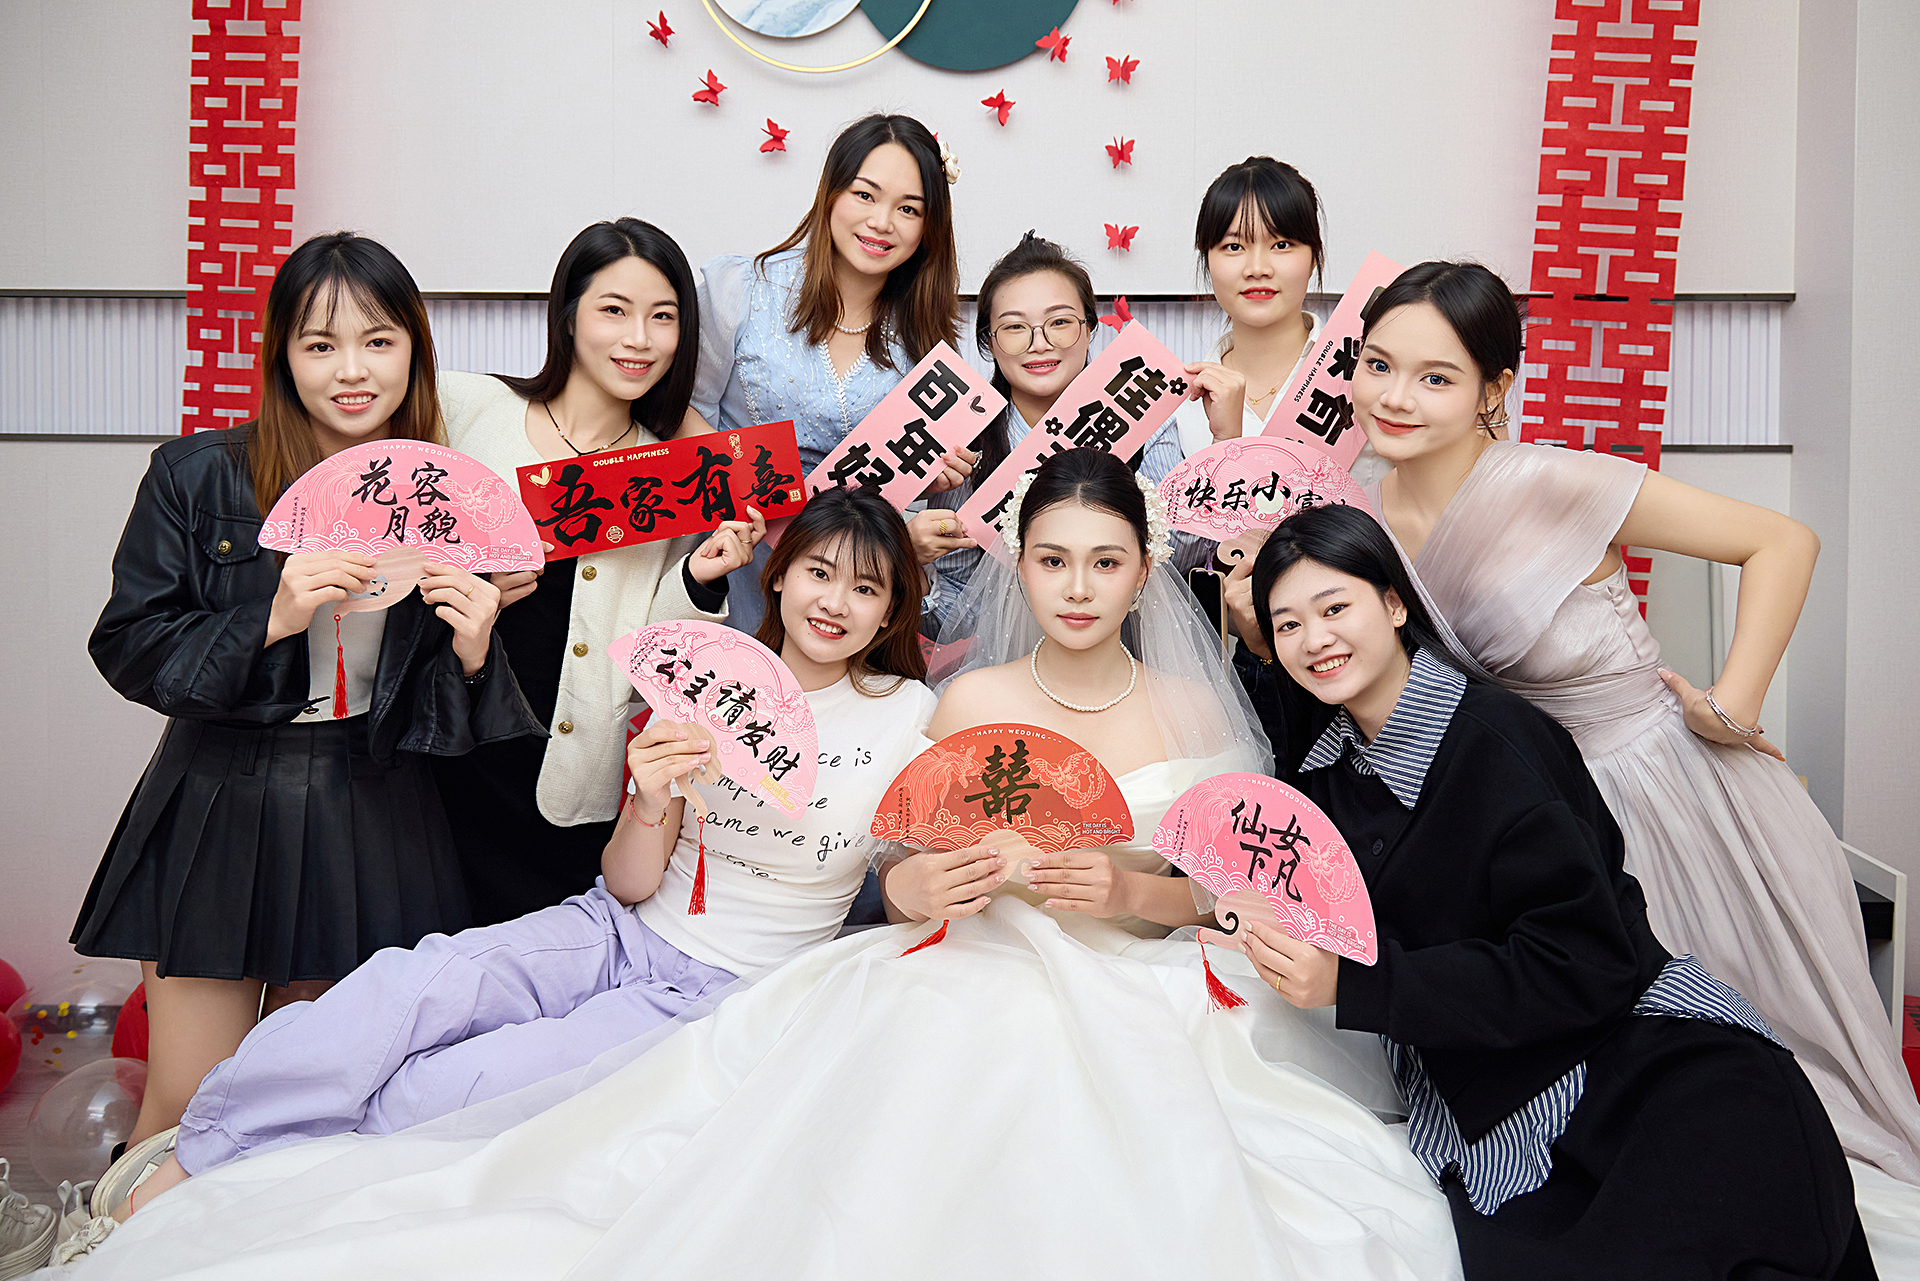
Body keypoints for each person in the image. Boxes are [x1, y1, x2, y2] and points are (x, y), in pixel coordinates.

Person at [77, 453, 1462, 1280]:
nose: (1082, 586)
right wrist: (868, 870)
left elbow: (1210, 890)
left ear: (1145, 568)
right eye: (1055, 559)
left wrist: (1124, 893)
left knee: (473, 1093)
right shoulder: (927, 704)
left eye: (1107, 561)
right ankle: (209, 1155)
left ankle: (253, 1175)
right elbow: (889, 879)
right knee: (409, 995)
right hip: (742, 938)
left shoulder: (1138, 708)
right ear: (1016, 569)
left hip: (1072, 980)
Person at [98, 484, 938, 1230]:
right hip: (617, 928)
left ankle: (253, 1194)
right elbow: (630, 882)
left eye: (867, 588)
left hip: (723, 990)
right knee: (403, 988)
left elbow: (902, 882)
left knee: (456, 1086)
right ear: (780, 576)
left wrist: (923, 882)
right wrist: (651, 797)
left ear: (892, 610)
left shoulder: (909, 717)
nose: (836, 602)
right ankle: (192, 1160)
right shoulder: (710, 677)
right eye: (819, 572)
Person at [1328, 259, 1920, 1186]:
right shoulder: (1361, 507)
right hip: (1537, 815)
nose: (1394, 397)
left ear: (1494, 389)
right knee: (1623, 1108)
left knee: (1766, 1077)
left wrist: (1733, 704)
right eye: (1378, 365)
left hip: (1671, 797)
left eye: (1435, 377)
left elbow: (1781, 540)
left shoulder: (1552, 480)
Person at [1219, 502, 1873, 1279]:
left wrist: (1357, 983)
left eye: (1335, 608)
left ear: (1394, 603)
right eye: (1288, 624)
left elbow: (1588, 962)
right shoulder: (1327, 772)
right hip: (1499, 1115)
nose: (1316, 639)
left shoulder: (1497, 741)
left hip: (1647, 1072)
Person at [70, 232, 541, 1152]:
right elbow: (127, 645)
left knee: (311, 1116)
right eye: (321, 344)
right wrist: (273, 615)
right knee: (186, 1107)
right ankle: (127, 1229)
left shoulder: (443, 495)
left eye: (378, 341)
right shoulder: (198, 474)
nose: (352, 371)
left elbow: (446, 721)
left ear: (414, 351)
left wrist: (474, 649)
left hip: (380, 808)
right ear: (283, 355)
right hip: (222, 797)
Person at [435, 218, 766, 925]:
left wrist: (700, 576)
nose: (639, 338)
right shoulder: (466, 409)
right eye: (614, 310)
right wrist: (466, 579)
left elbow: (647, 644)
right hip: (446, 755)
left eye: (663, 317)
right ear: (567, 314)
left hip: (565, 775)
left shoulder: (673, 475)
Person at [694, 113, 970, 634]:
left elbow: (901, 489)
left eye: (908, 208)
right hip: (733, 549)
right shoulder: (742, 288)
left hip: (851, 579)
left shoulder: (931, 343)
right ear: (830, 194)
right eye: (865, 195)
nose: (882, 222)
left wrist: (924, 477)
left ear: (930, 227)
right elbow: (689, 410)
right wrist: (769, 512)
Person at [917, 232, 1209, 635]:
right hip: (1011, 657)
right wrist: (914, 566)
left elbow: (1178, 554)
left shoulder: (1145, 418)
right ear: (988, 342)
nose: (1040, 343)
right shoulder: (965, 444)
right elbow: (959, 612)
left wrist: (1224, 443)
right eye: (1015, 327)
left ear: (1090, 329)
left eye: (1060, 322)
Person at [1161, 156, 1388, 489]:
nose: (1257, 268)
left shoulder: (1371, 372)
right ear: (1207, 260)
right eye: (1234, 246)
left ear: (1314, 257)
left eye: (1281, 245)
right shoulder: (1180, 404)